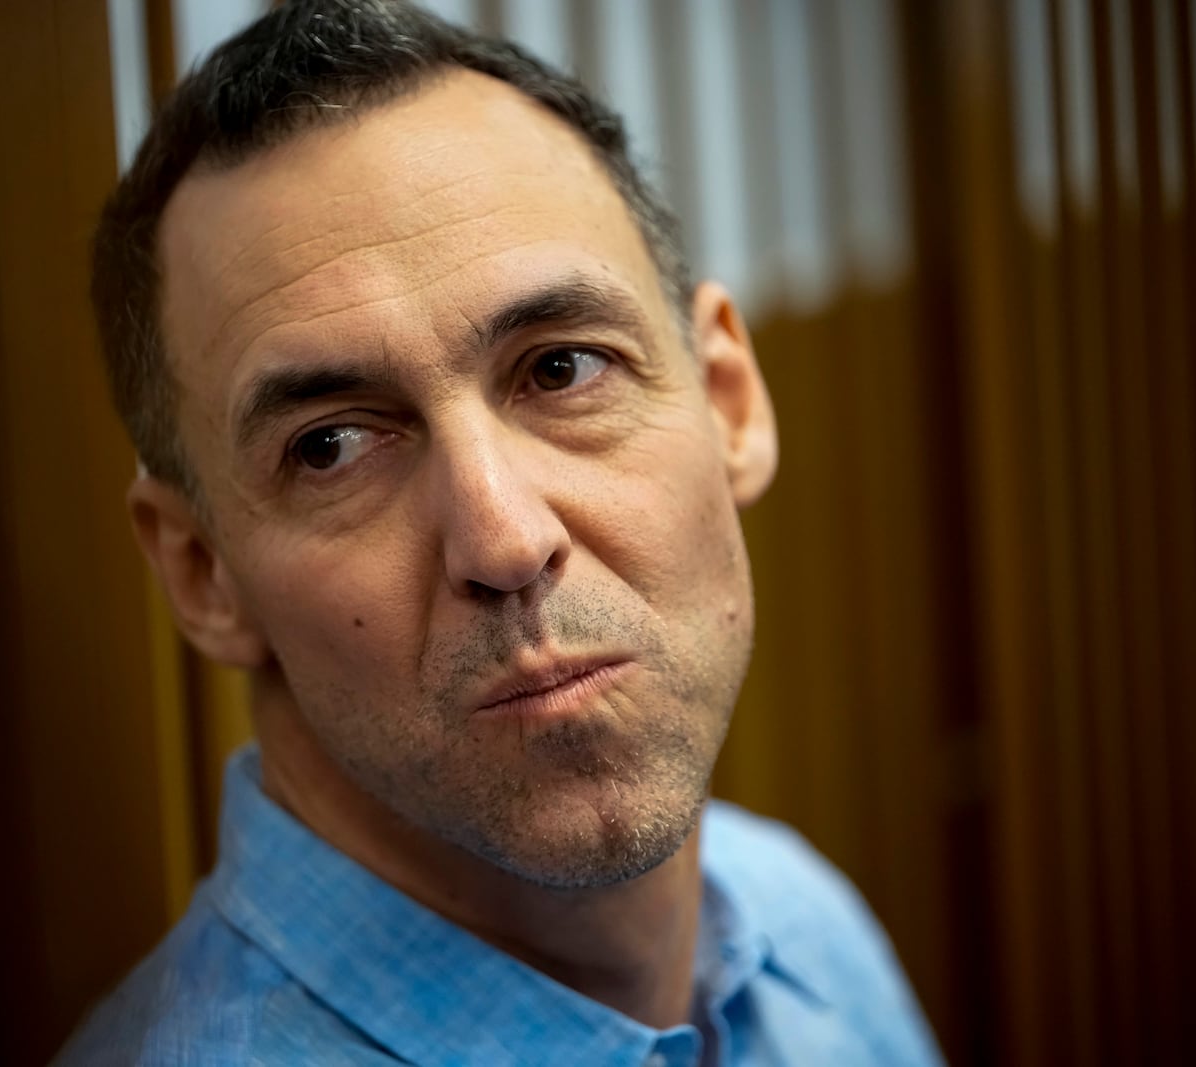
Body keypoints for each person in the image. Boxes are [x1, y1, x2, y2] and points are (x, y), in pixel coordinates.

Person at [60, 1, 942, 1063]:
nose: (506, 541)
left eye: (561, 368)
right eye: (333, 444)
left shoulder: (795, 924)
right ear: (202, 573)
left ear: (728, 400)